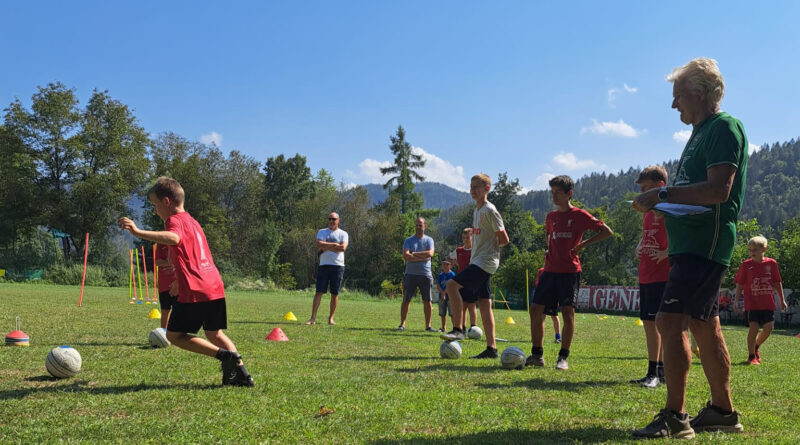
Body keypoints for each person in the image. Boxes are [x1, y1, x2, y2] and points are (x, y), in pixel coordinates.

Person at [632, 57, 747, 438]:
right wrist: (666, 203)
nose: (673, 104)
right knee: (703, 324)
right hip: (692, 243)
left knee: (669, 321)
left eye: (678, 95)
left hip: (704, 243)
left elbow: (719, 190)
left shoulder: (723, 127)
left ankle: (675, 417)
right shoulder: (701, 132)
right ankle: (722, 412)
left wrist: (662, 194)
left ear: (700, 93)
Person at [118, 176, 253, 387]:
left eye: (155, 205)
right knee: (214, 333)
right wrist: (178, 281)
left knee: (174, 335)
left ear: (166, 202)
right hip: (213, 284)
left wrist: (137, 232)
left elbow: (174, 239)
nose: (155, 211)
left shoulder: (174, 221)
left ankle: (223, 356)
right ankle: (242, 374)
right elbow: (191, 253)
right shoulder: (193, 222)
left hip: (196, 288)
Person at [527, 175, 613, 371]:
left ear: (569, 194)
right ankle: (537, 355)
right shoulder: (551, 217)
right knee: (536, 310)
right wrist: (549, 250)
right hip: (549, 271)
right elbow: (550, 237)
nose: (554, 196)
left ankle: (563, 357)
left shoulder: (580, 215)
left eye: (558, 192)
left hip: (569, 272)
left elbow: (607, 231)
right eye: (552, 193)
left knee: (567, 313)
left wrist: (583, 244)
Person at [441, 174, 510, 359]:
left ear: (487, 189)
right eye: (471, 187)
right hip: (479, 261)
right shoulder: (477, 211)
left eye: (476, 187)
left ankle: (458, 329)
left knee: (451, 285)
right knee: (485, 305)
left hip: (484, 262)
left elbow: (504, 239)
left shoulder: (490, 210)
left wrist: (490, 248)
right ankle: (491, 349)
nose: (472, 190)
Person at [630, 166, 670, 388]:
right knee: (648, 322)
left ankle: (654, 372)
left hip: (661, 276)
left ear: (660, 186)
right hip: (645, 273)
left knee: (655, 324)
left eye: (646, 188)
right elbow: (647, 235)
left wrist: (667, 253)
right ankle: (659, 370)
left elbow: (681, 235)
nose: (642, 193)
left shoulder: (670, 210)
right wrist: (639, 246)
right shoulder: (648, 212)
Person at [732, 236, 787, 365]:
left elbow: (777, 282)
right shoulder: (745, 265)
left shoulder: (771, 264)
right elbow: (739, 284)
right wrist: (736, 300)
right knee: (754, 327)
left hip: (767, 303)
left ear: (764, 249)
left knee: (769, 328)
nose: (752, 252)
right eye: (750, 250)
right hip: (752, 304)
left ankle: (756, 346)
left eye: (755, 250)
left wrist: (782, 300)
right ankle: (751, 356)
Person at [305, 212, 348, 325]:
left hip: (338, 266)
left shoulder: (343, 234)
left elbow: (343, 248)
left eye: (334, 219)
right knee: (319, 292)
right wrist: (335, 244)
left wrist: (326, 246)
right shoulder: (322, 231)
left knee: (334, 294)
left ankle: (331, 318)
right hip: (323, 265)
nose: (331, 221)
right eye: (330, 219)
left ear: (338, 220)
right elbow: (318, 245)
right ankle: (312, 318)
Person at [398, 217, 435, 331]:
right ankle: (402, 324)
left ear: (425, 226)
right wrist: (422, 258)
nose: (418, 227)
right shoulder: (408, 240)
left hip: (425, 275)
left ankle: (428, 326)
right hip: (410, 274)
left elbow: (430, 253)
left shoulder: (429, 240)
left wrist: (414, 254)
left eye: (420, 225)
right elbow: (406, 256)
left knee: (427, 301)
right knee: (406, 300)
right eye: (417, 225)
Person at [446, 228, 478, 331]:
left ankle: (473, 328)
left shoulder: (475, 250)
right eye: (463, 238)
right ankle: (462, 327)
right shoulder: (459, 250)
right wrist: (455, 264)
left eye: (467, 237)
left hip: (472, 282)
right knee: (462, 305)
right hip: (460, 282)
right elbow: (449, 258)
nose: (465, 240)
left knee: (471, 306)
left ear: (472, 238)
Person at [535, 268, 562, 344]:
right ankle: (540, 337)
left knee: (554, 316)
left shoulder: (556, 270)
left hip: (553, 297)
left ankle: (558, 337)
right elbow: (537, 283)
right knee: (541, 317)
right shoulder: (541, 271)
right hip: (543, 296)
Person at [154, 242, 177, 330]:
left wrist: (169, 262)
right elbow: (157, 262)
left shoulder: (176, 243)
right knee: (165, 310)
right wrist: (169, 262)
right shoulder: (160, 244)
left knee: (178, 310)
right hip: (164, 284)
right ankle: (164, 332)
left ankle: (177, 332)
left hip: (176, 284)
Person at [437, 260, 456, 332]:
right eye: (444, 264)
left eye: (447, 264)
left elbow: (451, 285)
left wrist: (444, 293)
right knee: (442, 313)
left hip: (450, 296)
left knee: (452, 313)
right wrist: (442, 293)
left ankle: (454, 327)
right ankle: (443, 327)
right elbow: (438, 285)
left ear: (450, 266)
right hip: (441, 296)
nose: (445, 266)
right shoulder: (441, 275)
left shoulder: (452, 274)